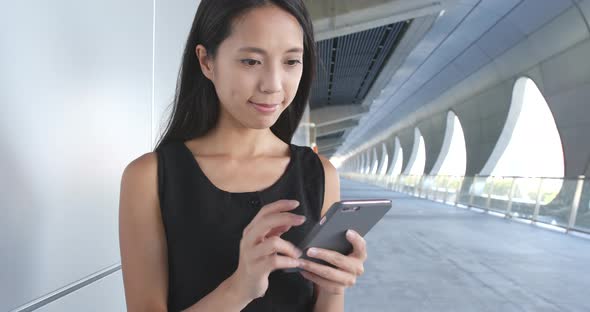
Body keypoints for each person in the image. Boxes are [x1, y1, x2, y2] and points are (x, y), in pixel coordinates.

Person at [118, 0, 368, 311]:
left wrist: (333, 288)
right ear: (206, 61)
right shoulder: (149, 177)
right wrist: (239, 289)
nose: (273, 85)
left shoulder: (320, 174)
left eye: (291, 62)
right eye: (251, 61)